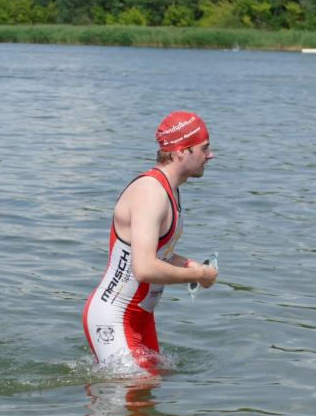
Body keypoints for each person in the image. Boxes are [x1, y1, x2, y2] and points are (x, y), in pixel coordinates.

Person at [82, 111, 219, 374]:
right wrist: (198, 274)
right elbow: (144, 268)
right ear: (181, 151)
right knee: (138, 389)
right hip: (114, 316)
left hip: (141, 318)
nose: (210, 155)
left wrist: (189, 265)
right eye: (204, 148)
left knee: (156, 385)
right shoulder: (150, 192)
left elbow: (158, 252)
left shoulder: (169, 190)